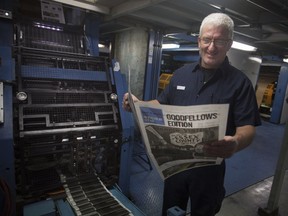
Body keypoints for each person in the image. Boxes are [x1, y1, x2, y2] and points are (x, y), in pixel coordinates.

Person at [122, 12, 261, 216]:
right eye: (207, 39)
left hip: (209, 171)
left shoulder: (240, 83)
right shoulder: (181, 74)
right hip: (174, 167)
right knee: (170, 211)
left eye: (219, 41)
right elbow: (160, 104)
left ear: (229, 44)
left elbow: (248, 128)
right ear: (199, 41)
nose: (211, 47)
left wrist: (236, 143)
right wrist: (139, 104)